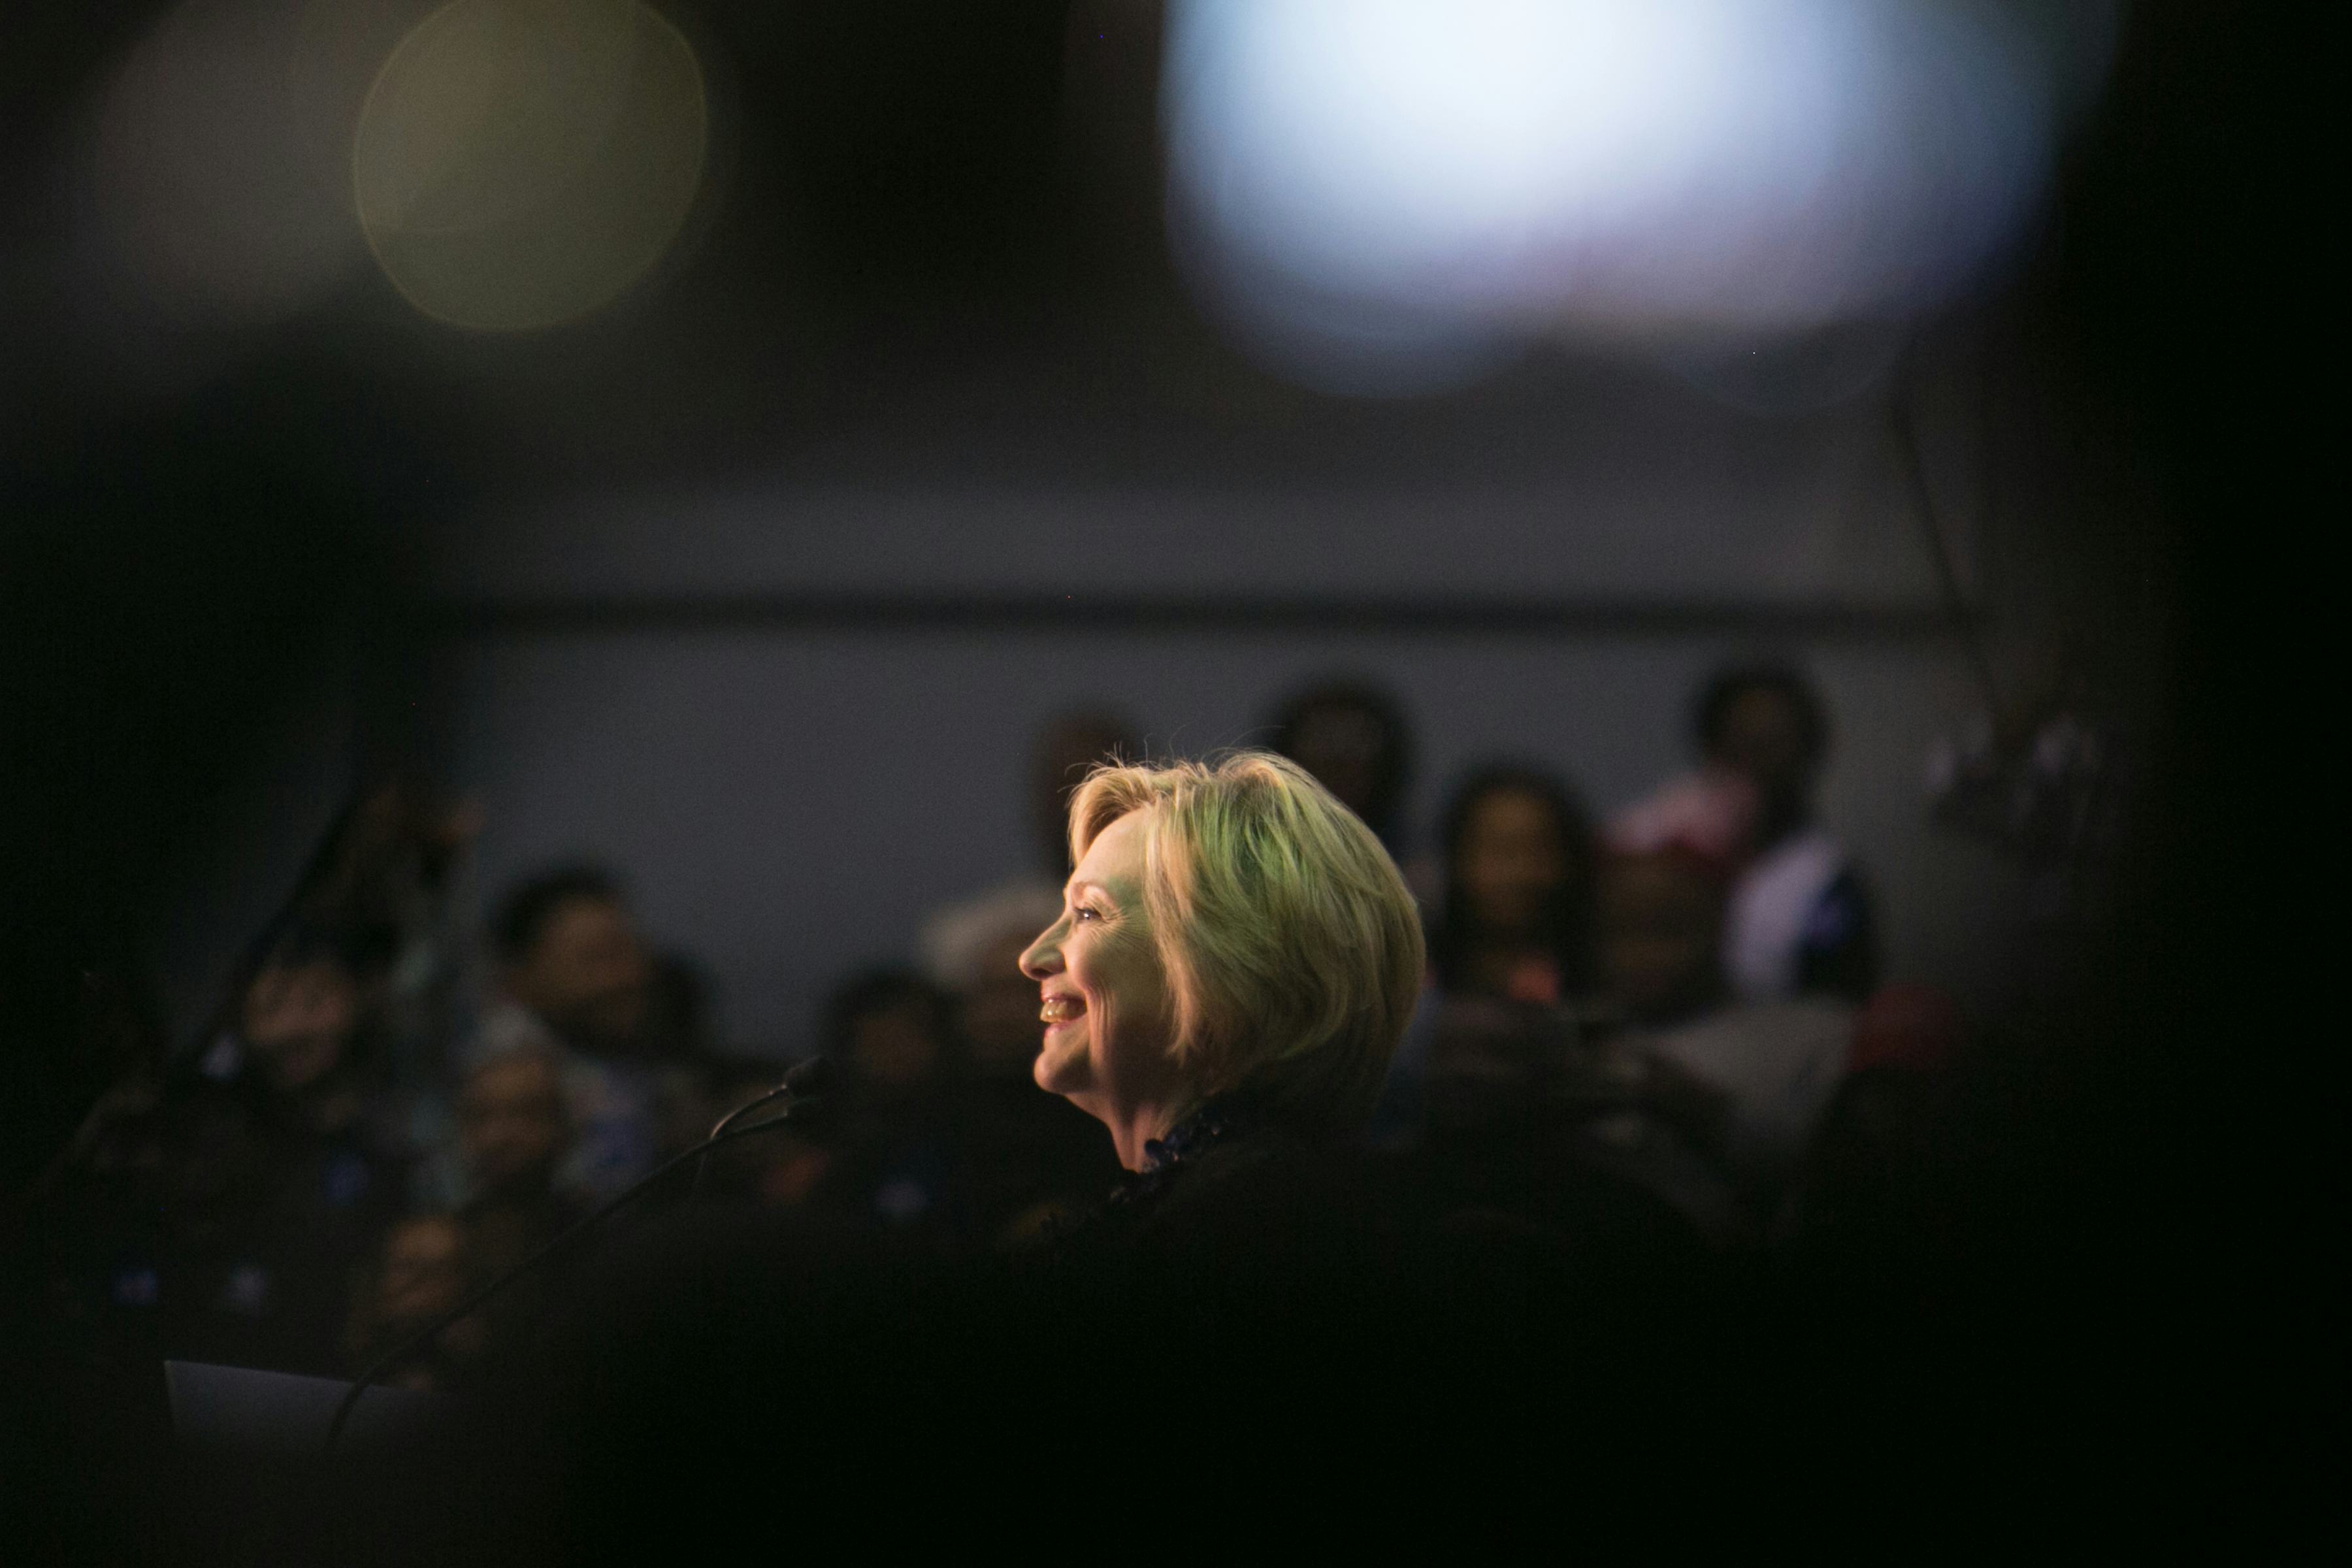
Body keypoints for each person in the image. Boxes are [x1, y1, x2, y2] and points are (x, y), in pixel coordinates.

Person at [475, 867, 710, 1201]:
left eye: (630, 951)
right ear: (520, 980)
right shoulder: (491, 1083)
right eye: (596, 960)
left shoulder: (660, 1064)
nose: (626, 978)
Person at [1692, 662, 1880, 1002]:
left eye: (1773, 741)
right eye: (1739, 740)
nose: (1754, 759)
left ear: (1809, 752)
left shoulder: (1827, 879)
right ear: (1711, 748)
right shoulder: (1667, 855)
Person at [917, 708, 1139, 988]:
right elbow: (943, 950)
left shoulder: (1172, 913)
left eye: (1096, 787)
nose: (1076, 809)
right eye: (1062, 786)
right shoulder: (982, 925)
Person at [1266, 678, 1414, 855]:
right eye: (1321, 741)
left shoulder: (1414, 865)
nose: (1337, 762)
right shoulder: (1261, 851)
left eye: (1355, 746)